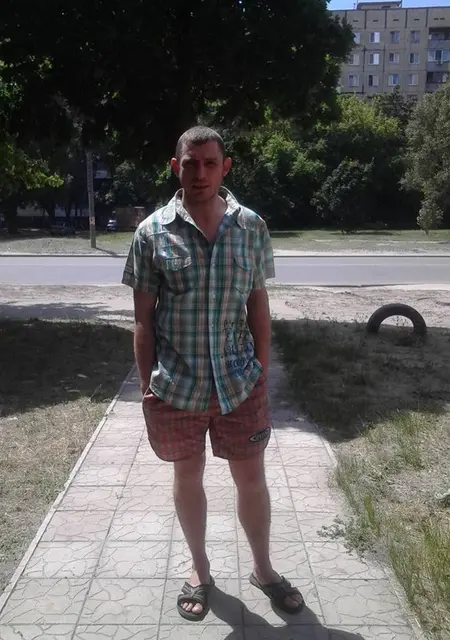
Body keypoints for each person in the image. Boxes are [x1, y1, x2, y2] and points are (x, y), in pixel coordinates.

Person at [122, 125, 303, 622]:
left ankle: (263, 569)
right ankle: (200, 571)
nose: (199, 172)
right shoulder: (151, 233)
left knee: (252, 479)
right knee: (188, 476)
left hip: (240, 383)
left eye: (209, 163)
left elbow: (258, 306)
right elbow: (142, 320)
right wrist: (145, 386)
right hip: (177, 386)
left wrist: (261, 371)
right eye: (190, 163)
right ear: (175, 167)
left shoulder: (252, 228)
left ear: (225, 167)